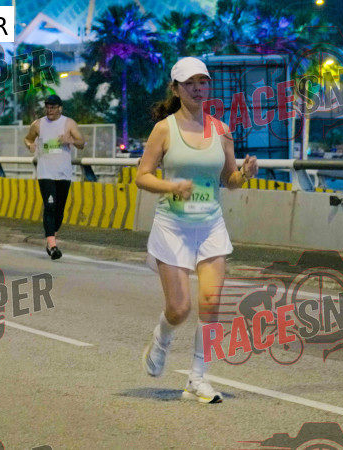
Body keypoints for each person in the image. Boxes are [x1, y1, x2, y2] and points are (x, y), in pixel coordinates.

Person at [136, 57, 258, 404]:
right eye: (189, 83)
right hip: (173, 227)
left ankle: (198, 378)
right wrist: (171, 187)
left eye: (203, 82)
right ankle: (161, 337)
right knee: (179, 308)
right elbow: (142, 176)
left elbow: (229, 179)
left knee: (211, 302)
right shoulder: (164, 130)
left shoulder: (221, 130)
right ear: (176, 89)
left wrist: (244, 174)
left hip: (210, 225)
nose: (197, 88)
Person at [23, 94, 86, 260]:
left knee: (59, 209)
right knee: (50, 206)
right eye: (47, 107)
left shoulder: (68, 123)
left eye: (53, 107)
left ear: (60, 108)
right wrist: (30, 145)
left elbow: (82, 143)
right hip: (46, 173)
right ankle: (52, 245)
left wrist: (69, 140)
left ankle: (51, 240)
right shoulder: (38, 124)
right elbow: (28, 139)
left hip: (63, 173)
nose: (49, 110)